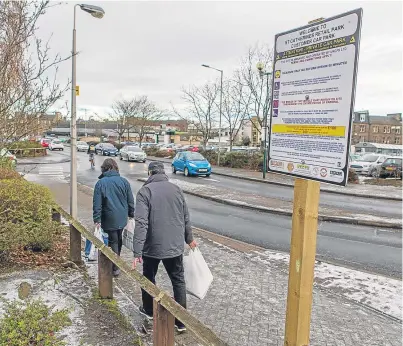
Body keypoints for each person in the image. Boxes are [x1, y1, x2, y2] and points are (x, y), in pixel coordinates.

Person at [132, 161, 196, 333]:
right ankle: (181, 321)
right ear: (163, 173)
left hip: (152, 247)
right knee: (178, 280)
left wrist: (137, 251)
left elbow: (141, 223)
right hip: (174, 246)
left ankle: (148, 310)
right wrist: (189, 239)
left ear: (150, 174)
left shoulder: (145, 192)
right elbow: (185, 217)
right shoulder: (176, 190)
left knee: (149, 278)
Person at [92, 158, 135, 276]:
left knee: (113, 240)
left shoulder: (101, 183)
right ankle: (116, 262)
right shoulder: (124, 181)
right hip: (122, 217)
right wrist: (131, 214)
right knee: (117, 239)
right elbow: (130, 200)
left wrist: (97, 219)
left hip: (108, 217)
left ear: (104, 169)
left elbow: (97, 203)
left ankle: (115, 267)